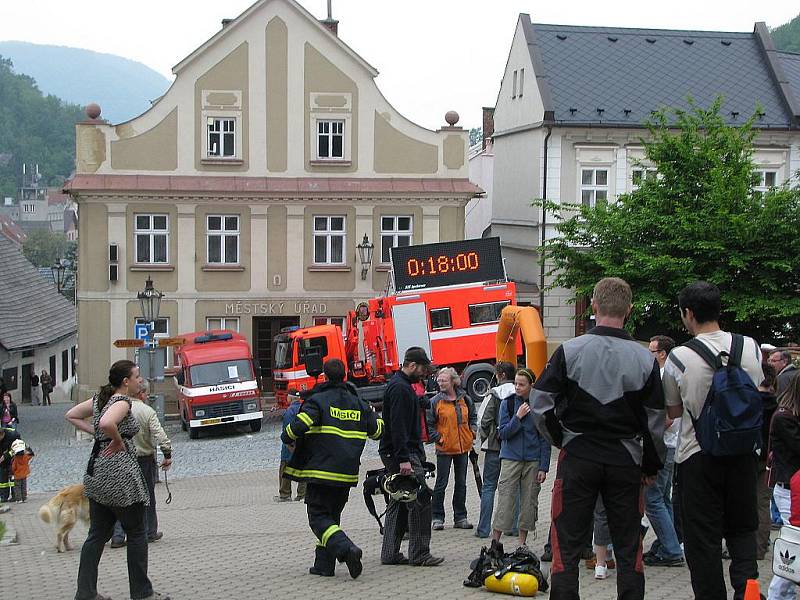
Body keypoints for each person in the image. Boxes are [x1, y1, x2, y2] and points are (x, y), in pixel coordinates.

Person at [532, 277, 666, 600]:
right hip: (626, 461)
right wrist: (650, 464)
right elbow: (656, 422)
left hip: (578, 456)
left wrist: (562, 439)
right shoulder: (645, 359)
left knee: (566, 545)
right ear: (629, 311)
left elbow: (539, 404)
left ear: (593, 306)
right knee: (629, 548)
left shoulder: (570, 350)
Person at [662, 281, 763, 600]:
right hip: (744, 454)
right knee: (742, 530)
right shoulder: (750, 346)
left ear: (688, 314)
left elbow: (674, 410)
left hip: (698, 457)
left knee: (702, 542)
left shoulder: (679, 356)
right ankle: (748, 593)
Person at [65, 359, 170, 600]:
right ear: (126, 382)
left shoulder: (99, 400)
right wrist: (118, 440)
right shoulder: (121, 402)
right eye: (137, 377)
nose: (140, 381)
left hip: (97, 474)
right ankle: (142, 593)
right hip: (120, 476)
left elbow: (71, 415)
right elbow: (106, 422)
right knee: (136, 532)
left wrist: (99, 436)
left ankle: (86, 592)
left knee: (97, 536)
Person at [281, 359, 382, 579]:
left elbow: (300, 425)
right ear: (345, 376)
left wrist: (286, 435)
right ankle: (324, 565)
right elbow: (377, 432)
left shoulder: (318, 400)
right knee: (331, 518)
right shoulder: (359, 402)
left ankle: (347, 550)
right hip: (346, 474)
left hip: (322, 472)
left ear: (325, 377)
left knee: (318, 517)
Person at [379, 346, 444, 567]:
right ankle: (420, 554)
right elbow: (397, 426)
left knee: (399, 500)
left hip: (398, 451)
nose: (425, 373)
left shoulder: (402, 386)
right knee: (420, 500)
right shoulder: (400, 389)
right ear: (412, 365)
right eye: (423, 368)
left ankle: (389, 553)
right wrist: (404, 458)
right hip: (402, 452)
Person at [491, 368, 550, 553]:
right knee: (505, 500)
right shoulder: (507, 404)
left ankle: (522, 543)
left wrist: (544, 466)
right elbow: (503, 433)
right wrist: (518, 417)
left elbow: (544, 438)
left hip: (532, 460)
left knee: (528, 502)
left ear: (531, 386)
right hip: (511, 458)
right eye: (516, 383)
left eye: (522, 384)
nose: (517, 387)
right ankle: (495, 542)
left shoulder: (539, 406)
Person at [111, 383, 173, 548]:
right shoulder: (147, 411)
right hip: (143, 459)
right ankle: (149, 532)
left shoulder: (116, 409)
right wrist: (167, 454)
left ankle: (117, 535)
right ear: (142, 394)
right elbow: (160, 435)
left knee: (122, 497)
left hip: (121, 458)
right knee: (147, 497)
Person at [643, 335, 684, 567]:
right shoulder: (673, 373)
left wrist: (649, 431)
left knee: (653, 500)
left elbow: (668, 416)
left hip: (663, 445)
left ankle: (670, 548)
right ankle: (671, 543)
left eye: (652, 351)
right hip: (671, 445)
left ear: (662, 353)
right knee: (663, 498)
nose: (649, 355)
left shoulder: (663, 376)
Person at [427, 366, 476, 530]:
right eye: (439, 380)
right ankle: (437, 517)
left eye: (444, 380)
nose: (440, 383)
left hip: (463, 448)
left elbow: (472, 417)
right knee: (441, 483)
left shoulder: (465, 399)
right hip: (444, 448)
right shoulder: (435, 401)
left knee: (461, 483)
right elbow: (429, 425)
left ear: (453, 381)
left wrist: (473, 432)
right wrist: (439, 438)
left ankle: (460, 517)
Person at [766, 374, 800, 600]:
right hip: (789, 490)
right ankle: (778, 596)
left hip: (792, 487)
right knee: (793, 549)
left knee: (794, 549)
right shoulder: (784, 418)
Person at [476, 361, 518, 538]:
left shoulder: (494, 394)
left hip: (494, 447)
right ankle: (513, 527)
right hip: (515, 448)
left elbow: (483, 421)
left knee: (489, 487)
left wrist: (486, 438)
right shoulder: (520, 392)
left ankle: (484, 529)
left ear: (500, 375)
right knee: (513, 488)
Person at [275, 389, 307, 503]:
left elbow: (288, 430)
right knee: (303, 469)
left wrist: (289, 444)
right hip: (303, 443)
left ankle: (285, 494)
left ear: (291, 397)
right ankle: (302, 494)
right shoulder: (304, 408)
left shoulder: (290, 411)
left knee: (285, 469)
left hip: (290, 445)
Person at [0, 425, 22, 502]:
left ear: (2, 434)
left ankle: (15, 495)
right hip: (2, 461)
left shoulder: (13, 436)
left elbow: (17, 449)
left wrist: (5, 456)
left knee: (13, 479)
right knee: (2, 479)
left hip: (13, 459)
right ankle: (3, 496)